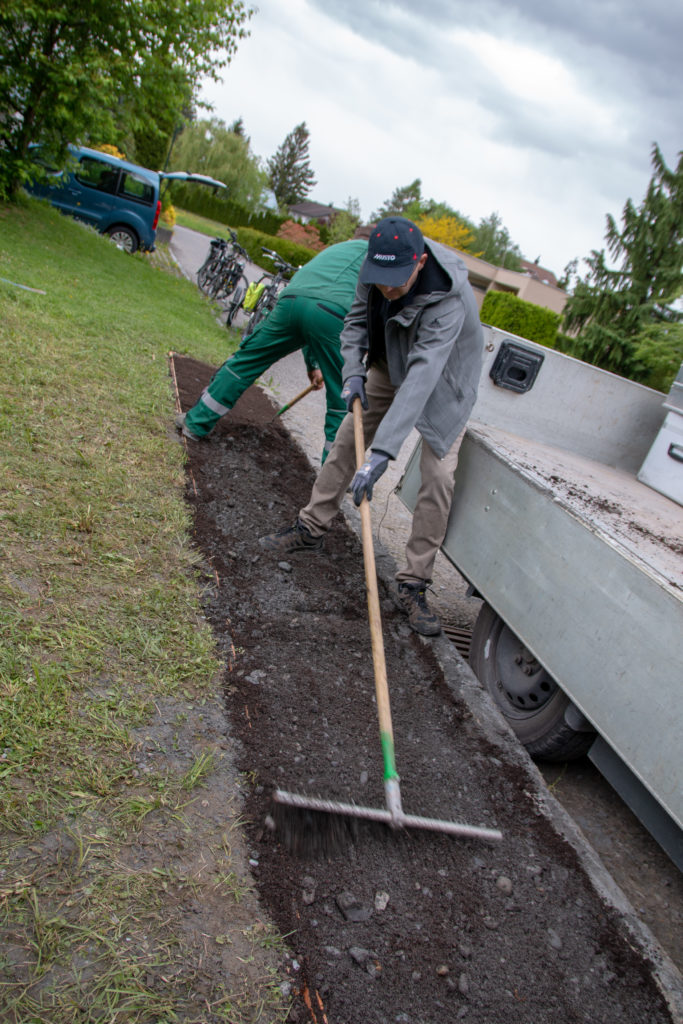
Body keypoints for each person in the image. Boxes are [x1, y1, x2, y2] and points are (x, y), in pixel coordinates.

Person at [259, 216, 484, 637]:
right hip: (388, 361)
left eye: (396, 282)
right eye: (381, 279)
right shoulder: (375, 269)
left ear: (419, 263)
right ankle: (311, 526)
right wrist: (353, 373)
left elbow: (422, 374)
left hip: (443, 379)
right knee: (348, 438)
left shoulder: (450, 299)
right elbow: (356, 323)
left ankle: (413, 582)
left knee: (437, 476)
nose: (387, 289)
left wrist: (381, 454)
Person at [175, 238, 368, 463]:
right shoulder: (388, 263)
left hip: (291, 301)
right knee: (341, 399)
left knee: (245, 361)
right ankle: (332, 477)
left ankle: (194, 424)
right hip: (335, 314)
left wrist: (314, 366)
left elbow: (312, 306)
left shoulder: (346, 247)